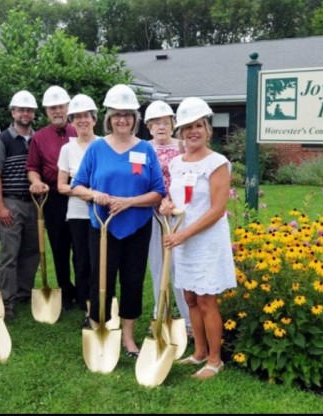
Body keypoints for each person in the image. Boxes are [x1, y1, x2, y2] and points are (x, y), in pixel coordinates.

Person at [72, 84, 166, 357]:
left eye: (127, 114)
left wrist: (129, 202)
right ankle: (100, 328)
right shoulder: (96, 148)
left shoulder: (146, 150)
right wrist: (95, 194)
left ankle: (128, 338)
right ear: (109, 118)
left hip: (137, 226)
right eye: (116, 114)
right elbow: (77, 186)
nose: (122, 119)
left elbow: (158, 191)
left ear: (135, 118)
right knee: (100, 280)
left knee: (133, 280)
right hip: (102, 228)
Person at [159, 97, 236, 380]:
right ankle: (200, 352)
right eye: (188, 127)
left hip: (205, 240)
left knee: (206, 300)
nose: (194, 131)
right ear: (180, 132)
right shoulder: (177, 164)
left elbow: (217, 210)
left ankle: (216, 360)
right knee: (190, 297)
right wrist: (166, 203)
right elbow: (176, 198)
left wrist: (184, 235)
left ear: (208, 129)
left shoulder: (217, 163)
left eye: (199, 125)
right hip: (184, 238)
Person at [0, 90, 40, 320]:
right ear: (13, 112)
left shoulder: (37, 140)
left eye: (29, 110)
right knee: (9, 253)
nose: (25, 113)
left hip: (34, 204)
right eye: (21, 109)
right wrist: (0, 206)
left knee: (32, 251)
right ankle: (6, 301)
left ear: (34, 113)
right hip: (11, 201)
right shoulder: (2, 140)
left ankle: (23, 293)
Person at [26, 85, 77, 311]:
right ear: (46, 111)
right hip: (54, 200)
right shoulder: (39, 137)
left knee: (82, 247)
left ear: (68, 107)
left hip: (79, 197)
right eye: (53, 107)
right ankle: (65, 291)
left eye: (61, 106)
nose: (58, 111)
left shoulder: (79, 131)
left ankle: (84, 290)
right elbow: (32, 167)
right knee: (59, 246)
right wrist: (36, 181)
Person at [143, 100, 191, 335]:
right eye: (155, 123)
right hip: (153, 212)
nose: (161, 127)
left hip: (179, 213)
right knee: (158, 265)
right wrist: (157, 199)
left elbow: (190, 177)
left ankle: (188, 320)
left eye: (165, 122)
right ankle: (159, 314)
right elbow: (139, 179)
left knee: (179, 265)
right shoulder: (142, 149)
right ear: (149, 127)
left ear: (173, 125)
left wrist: (173, 200)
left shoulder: (183, 147)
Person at [57, 94, 99, 327]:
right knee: (82, 261)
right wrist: (85, 192)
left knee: (100, 261)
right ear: (71, 121)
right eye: (77, 117)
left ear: (94, 119)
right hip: (78, 214)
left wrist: (95, 195)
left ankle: (102, 302)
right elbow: (61, 185)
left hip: (103, 213)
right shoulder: (67, 149)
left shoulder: (104, 144)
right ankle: (87, 307)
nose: (82, 120)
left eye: (86, 116)